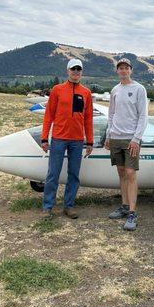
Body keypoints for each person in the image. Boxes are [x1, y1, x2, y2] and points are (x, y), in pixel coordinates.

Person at [40, 58, 94, 219]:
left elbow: (88, 119)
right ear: (67, 71)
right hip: (58, 138)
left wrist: (89, 141)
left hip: (77, 140)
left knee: (74, 174)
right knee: (53, 174)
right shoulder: (57, 90)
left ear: (81, 72)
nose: (76, 72)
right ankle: (47, 207)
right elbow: (48, 115)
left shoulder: (86, 92)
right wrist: (44, 138)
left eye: (79, 69)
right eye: (73, 69)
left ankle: (68, 206)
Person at [105, 58, 148, 231]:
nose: (123, 71)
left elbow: (143, 116)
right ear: (117, 71)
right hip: (115, 137)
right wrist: (108, 134)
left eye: (126, 68)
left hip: (131, 138)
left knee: (130, 173)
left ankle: (132, 212)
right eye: (120, 68)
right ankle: (123, 206)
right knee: (121, 171)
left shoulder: (139, 89)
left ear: (131, 70)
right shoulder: (115, 90)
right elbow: (111, 114)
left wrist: (136, 139)